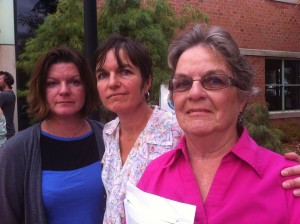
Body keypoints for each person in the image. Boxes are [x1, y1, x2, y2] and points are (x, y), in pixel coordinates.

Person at [136, 24, 300, 223]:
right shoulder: (153, 177)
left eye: (214, 80)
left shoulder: (287, 183)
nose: (195, 93)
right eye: (183, 83)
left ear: (242, 98)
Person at [0, 46, 106, 224]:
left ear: (87, 87)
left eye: (74, 81)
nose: (64, 90)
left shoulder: (109, 137)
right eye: (52, 83)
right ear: (41, 90)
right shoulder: (15, 152)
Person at [94, 34, 183, 223]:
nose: (112, 83)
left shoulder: (176, 131)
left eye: (125, 72)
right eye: (103, 75)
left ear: (147, 82)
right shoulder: (109, 132)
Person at [0, 71, 16, 139]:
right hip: (9, 133)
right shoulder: (11, 94)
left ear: (6, 80)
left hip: (3, 136)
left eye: (0, 78)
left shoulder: (4, 95)